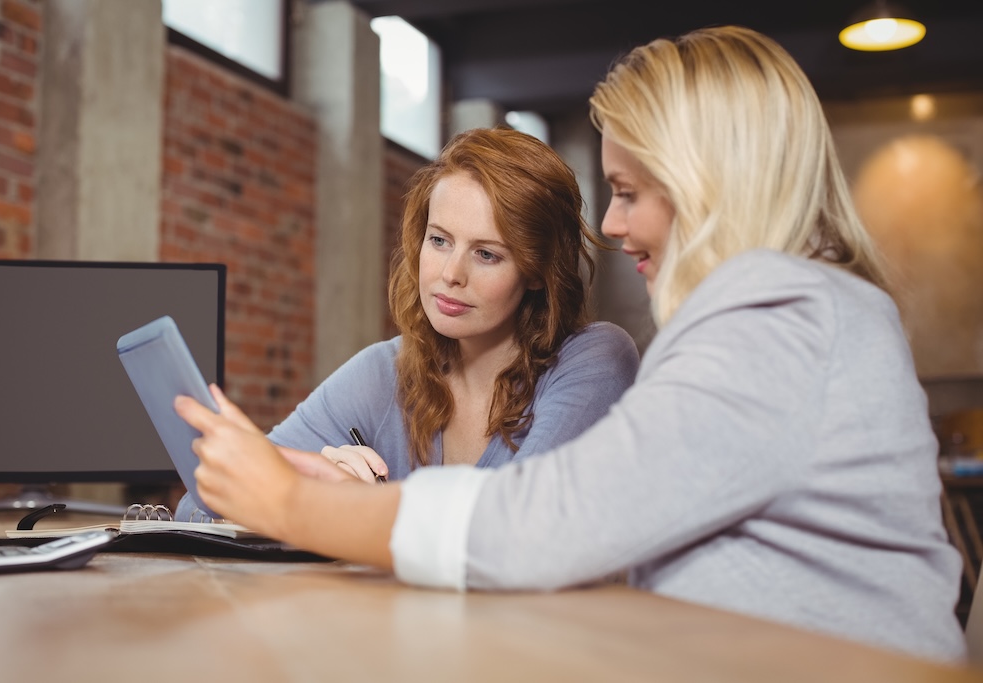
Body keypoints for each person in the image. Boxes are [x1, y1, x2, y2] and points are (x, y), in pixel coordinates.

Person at [174, 26, 967, 662]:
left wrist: (297, 503)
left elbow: (551, 523)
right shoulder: (811, 307)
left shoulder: (778, 312)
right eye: (441, 241)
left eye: (626, 192)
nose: (613, 226)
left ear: (712, 181)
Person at [174, 126, 640, 520]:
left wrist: (341, 504)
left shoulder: (594, 360)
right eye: (439, 241)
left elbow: (514, 527)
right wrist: (313, 477)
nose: (450, 274)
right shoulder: (383, 372)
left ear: (537, 270)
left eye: (486, 254)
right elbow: (197, 507)